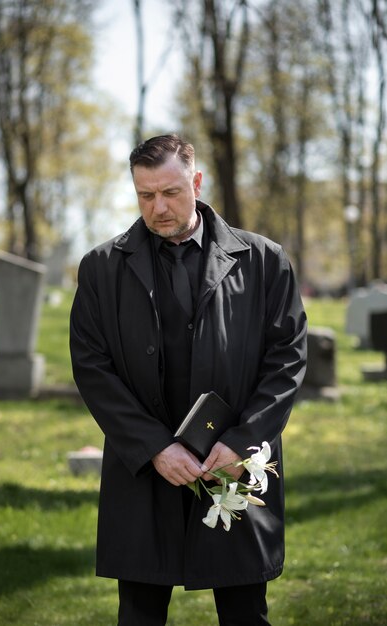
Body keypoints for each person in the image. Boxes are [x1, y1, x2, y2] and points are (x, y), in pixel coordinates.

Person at [70, 134, 307, 625]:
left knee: (245, 612)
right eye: (145, 195)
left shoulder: (264, 261)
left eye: (171, 192)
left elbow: (287, 358)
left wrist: (244, 441)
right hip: (143, 468)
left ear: (196, 182)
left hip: (233, 465)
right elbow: (92, 368)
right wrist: (155, 447)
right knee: (139, 613)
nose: (158, 207)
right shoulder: (100, 269)